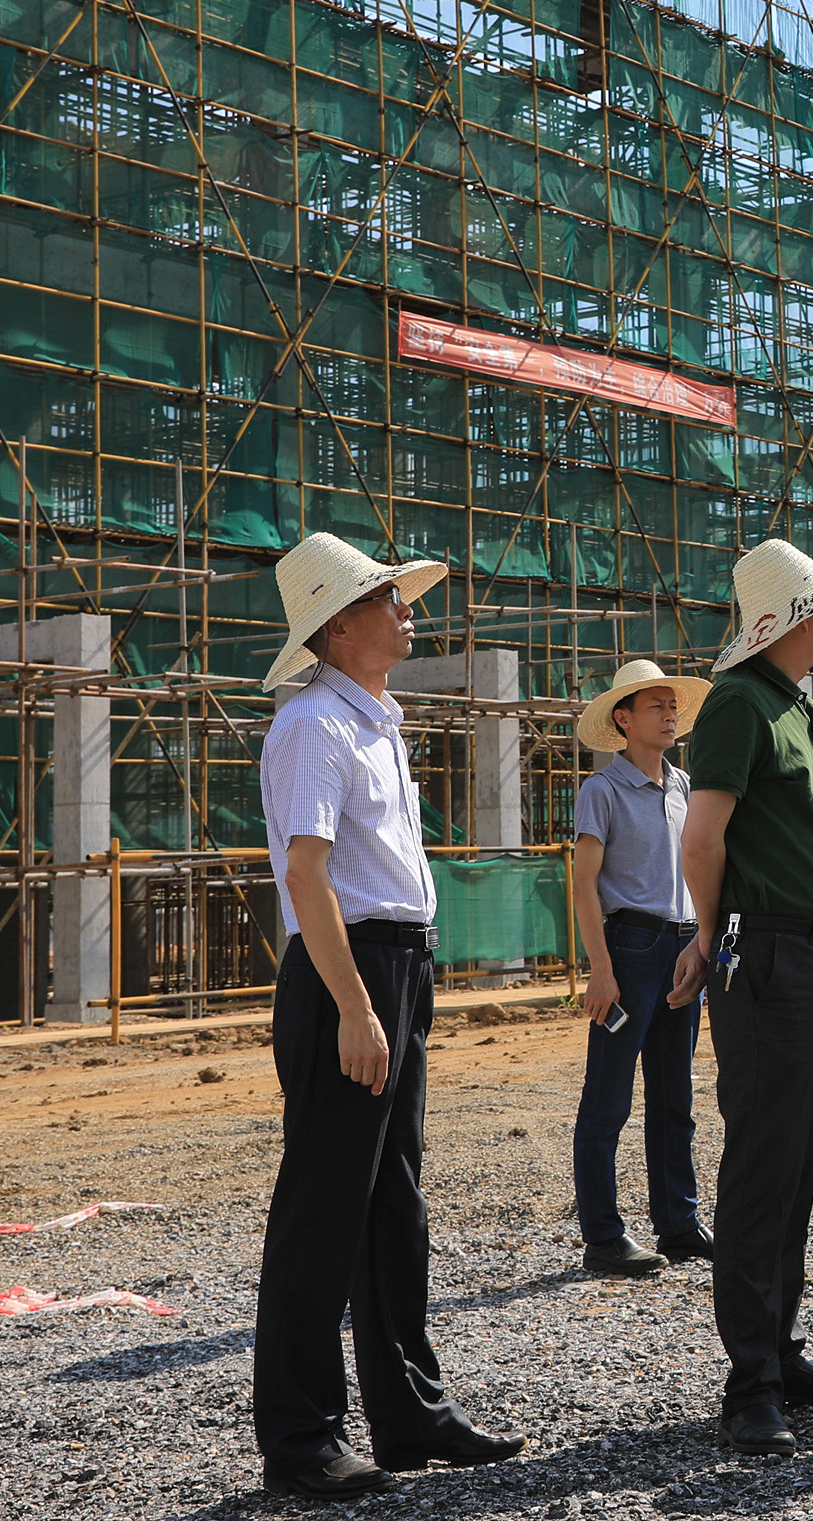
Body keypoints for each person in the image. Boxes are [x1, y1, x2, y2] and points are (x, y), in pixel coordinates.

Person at [251, 533, 525, 1501]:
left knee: (391, 1201)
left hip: (397, 961)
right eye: (386, 598)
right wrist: (356, 1006)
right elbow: (307, 876)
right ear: (336, 625)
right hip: (350, 971)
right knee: (324, 1206)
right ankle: (301, 1437)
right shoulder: (313, 726)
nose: (408, 609)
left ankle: (410, 1412)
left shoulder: (374, 722)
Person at [667, 539, 813, 1457]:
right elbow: (702, 839)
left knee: (794, 1161)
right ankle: (750, 1381)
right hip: (764, 953)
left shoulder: (789, 703)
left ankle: (779, 1351)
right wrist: (708, 936)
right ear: (799, 619)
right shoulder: (738, 703)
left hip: (810, 953)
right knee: (763, 1165)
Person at [567, 659, 713, 1277]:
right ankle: (603, 1236)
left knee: (675, 1097)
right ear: (623, 719)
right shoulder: (601, 791)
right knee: (608, 1099)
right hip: (628, 950)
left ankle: (679, 1224)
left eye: (673, 705)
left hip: (682, 949)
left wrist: (702, 942)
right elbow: (584, 883)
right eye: (657, 705)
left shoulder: (685, 787)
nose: (670, 715)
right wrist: (600, 969)